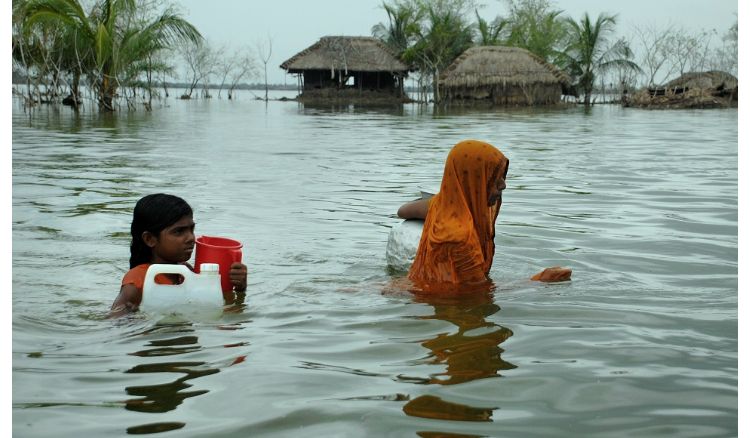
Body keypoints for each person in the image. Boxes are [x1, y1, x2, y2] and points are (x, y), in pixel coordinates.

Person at [397, 140, 571, 292]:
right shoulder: (460, 239)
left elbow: (403, 211)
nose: (503, 186)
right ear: (474, 181)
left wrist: (453, 193)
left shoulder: (442, 206)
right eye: (494, 179)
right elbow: (479, 294)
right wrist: (539, 280)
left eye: (502, 177)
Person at [109, 193, 247, 317]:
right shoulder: (138, 279)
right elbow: (114, 322)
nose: (191, 238)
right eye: (179, 231)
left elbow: (214, 307)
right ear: (150, 239)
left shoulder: (185, 271)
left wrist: (239, 289)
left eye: (191, 229)